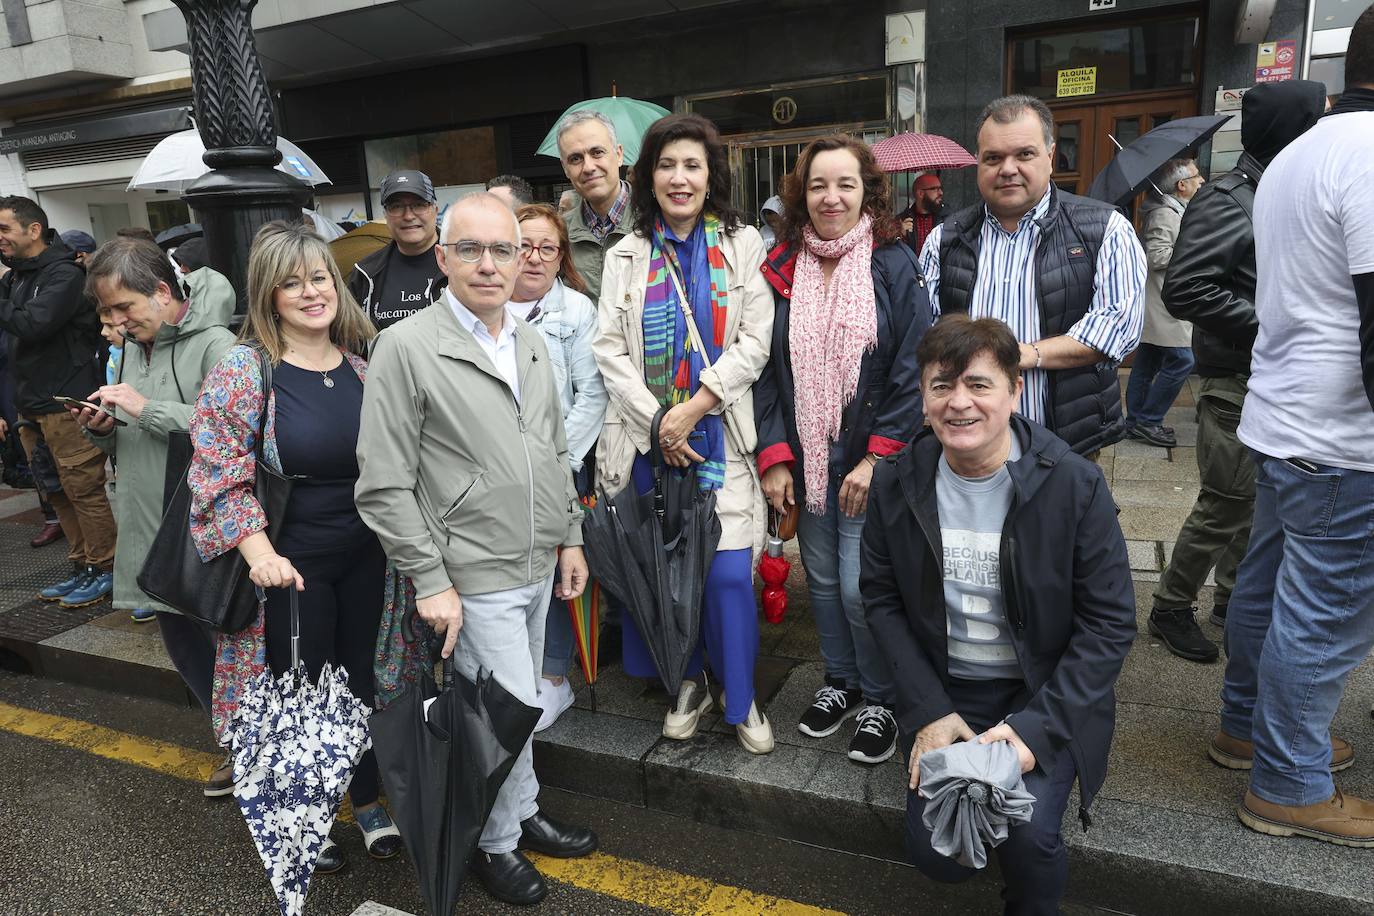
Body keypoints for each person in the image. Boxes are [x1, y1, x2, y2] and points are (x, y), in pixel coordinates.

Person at [356, 193, 597, 906]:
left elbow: (552, 450)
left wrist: (569, 536)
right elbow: (383, 482)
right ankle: (494, 846)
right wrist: (430, 579)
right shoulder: (406, 346)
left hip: (533, 558)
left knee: (516, 712)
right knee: (507, 710)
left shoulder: (524, 336)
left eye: (505, 249)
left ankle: (521, 814)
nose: (489, 264)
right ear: (444, 256)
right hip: (472, 572)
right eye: (472, 249)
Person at [862, 314, 1135, 914]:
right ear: (923, 396)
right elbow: (879, 599)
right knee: (938, 853)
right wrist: (929, 711)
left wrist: (1035, 731)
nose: (959, 403)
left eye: (979, 384)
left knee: (1032, 836)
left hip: (1039, 691)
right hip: (948, 690)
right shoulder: (896, 484)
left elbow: (1110, 622)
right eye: (941, 385)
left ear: (1014, 390)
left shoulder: (1074, 485)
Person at [188, 221, 402, 873]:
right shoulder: (245, 369)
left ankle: (366, 802)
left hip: (368, 557)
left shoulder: (366, 367)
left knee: (358, 683)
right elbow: (216, 469)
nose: (311, 292)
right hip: (288, 565)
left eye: (319, 278)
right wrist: (258, 553)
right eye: (292, 283)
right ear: (268, 295)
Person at [1219, 10, 1374, 847]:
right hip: (1348, 436)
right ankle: (1288, 780)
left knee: (1270, 585)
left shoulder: (1295, 155)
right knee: (1321, 612)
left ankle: (1248, 728)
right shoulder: (1370, 154)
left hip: (1286, 419)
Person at [594, 112, 775, 754]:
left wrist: (691, 409)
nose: (679, 177)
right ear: (647, 176)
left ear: (710, 175)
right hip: (648, 443)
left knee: (726, 576)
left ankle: (741, 693)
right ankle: (688, 680)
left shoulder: (743, 243)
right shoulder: (624, 253)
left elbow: (756, 342)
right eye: (667, 165)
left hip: (718, 435)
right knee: (668, 574)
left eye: (691, 165)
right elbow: (608, 349)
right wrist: (658, 420)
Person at [755, 135, 930, 765]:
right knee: (823, 581)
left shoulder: (892, 263)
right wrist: (774, 456)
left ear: (867, 193)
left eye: (845, 185)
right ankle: (841, 681)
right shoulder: (779, 267)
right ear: (802, 194)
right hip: (805, 457)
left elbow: (915, 366)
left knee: (863, 588)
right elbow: (765, 375)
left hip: (867, 460)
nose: (831, 197)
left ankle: (881, 695)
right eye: (819, 185)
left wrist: (877, 456)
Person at [1150, 81, 1327, 665]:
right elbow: (1185, 286)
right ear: (1292, 128)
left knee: (1251, 503)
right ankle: (1172, 606)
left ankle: (1229, 598)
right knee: (1225, 501)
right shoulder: (1230, 197)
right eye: (1316, 119)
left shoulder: (1275, 186)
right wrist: (1269, 322)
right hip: (1234, 379)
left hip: (1266, 375)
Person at [73, 238, 239, 771]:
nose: (118, 322)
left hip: (204, 526)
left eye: (125, 307)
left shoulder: (218, 344)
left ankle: (259, 749)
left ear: (162, 291)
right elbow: (132, 439)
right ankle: (236, 746)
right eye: (108, 312)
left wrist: (147, 408)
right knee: (185, 649)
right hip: (150, 524)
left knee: (229, 650)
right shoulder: (130, 349)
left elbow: (236, 430)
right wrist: (102, 430)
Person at [920, 95, 1146, 457]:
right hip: (968, 445)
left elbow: (1117, 328)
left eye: (1024, 154)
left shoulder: (1104, 229)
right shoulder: (946, 239)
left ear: (1050, 157)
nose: (1007, 168)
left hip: (1066, 442)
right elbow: (924, 333)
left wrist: (1023, 354)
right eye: (993, 158)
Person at [511, 203, 609, 731]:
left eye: (547, 248)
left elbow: (591, 394)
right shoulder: (483, 307)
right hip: (498, 471)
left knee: (559, 571)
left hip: (560, 467)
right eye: (523, 245)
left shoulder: (576, 311)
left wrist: (558, 463)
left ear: (561, 256)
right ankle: (513, 670)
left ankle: (553, 676)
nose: (534, 257)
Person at [0, 196, 116, 607]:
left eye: (4, 230)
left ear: (34, 230)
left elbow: (33, 325)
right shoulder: (16, 278)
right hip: (30, 404)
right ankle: (82, 564)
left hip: (66, 404)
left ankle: (106, 568)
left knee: (83, 489)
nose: (0, 240)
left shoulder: (64, 275)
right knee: (56, 491)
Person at [1123, 158, 1203, 449]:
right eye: (1196, 176)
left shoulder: (1172, 211)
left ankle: (1135, 422)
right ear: (1182, 185)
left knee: (1147, 361)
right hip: (1162, 302)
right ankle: (1148, 420)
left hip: (1159, 301)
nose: (1201, 180)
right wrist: (1193, 251)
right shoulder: (1166, 215)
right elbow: (1156, 257)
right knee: (1183, 360)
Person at [346, 169, 446, 330]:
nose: (408, 216)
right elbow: (353, 338)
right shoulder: (366, 274)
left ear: (435, 210)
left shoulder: (463, 263)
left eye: (419, 205)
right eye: (396, 206)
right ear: (385, 215)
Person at [557, 110, 634, 301]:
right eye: (575, 159)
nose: (589, 167)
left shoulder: (656, 220)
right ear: (565, 169)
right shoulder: (558, 233)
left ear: (619, 154)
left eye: (597, 152)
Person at [897, 172, 945, 256]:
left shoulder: (947, 218)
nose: (941, 193)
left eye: (941, 188)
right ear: (920, 193)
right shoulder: (901, 220)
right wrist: (899, 235)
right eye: (935, 189)